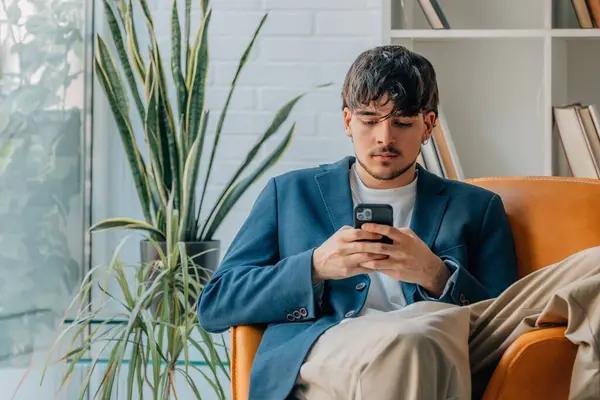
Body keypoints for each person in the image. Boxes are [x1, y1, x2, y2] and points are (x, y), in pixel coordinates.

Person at [197, 45, 600, 400]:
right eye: (369, 120)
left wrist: (437, 275)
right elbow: (216, 304)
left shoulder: (476, 206)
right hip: (337, 343)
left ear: (428, 126)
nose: (383, 138)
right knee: (412, 341)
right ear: (347, 121)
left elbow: (500, 312)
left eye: (402, 123)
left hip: (455, 336)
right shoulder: (291, 193)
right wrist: (315, 266)